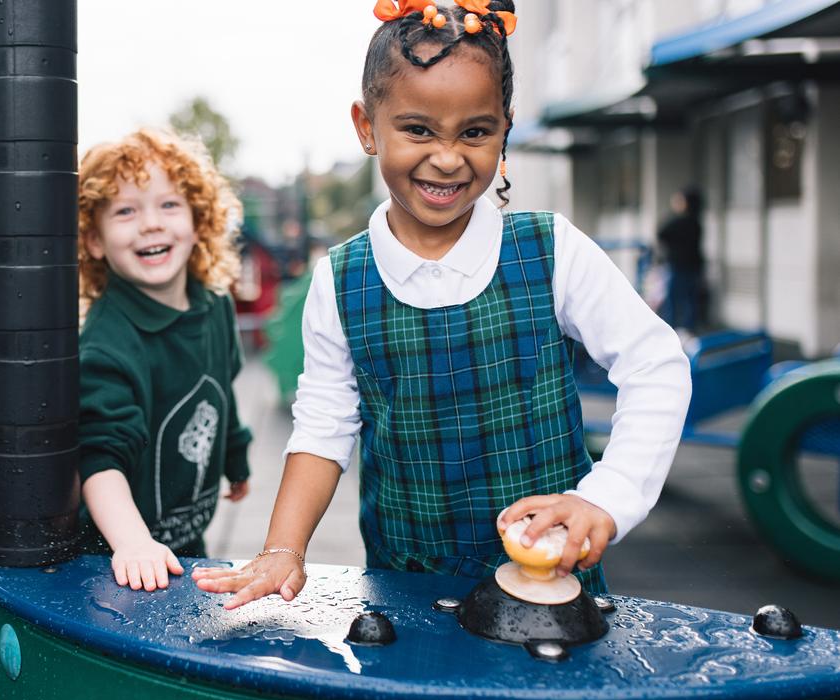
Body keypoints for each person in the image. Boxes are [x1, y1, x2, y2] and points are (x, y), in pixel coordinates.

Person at [194, 0, 690, 609]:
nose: (449, 157)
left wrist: (606, 497)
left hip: (552, 584)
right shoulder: (341, 279)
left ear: (504, 130)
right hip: (407, 589)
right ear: (367, 126)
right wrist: (282, 550)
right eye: (419, 129)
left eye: (475, 132)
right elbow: (324, 427)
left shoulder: (550, 248)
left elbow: (656, 363)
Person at [77, 129, 252, 592]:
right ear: (95, 240)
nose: (151, 223)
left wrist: (236, 455)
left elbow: (221, 388)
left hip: (184, 539)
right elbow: (100, 458)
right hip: (114, 558)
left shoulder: (214, 305)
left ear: (199, 221)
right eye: (126, 210)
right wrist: (132, 544)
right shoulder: (108, 344)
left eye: (169, 205)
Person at [657, 187, 706, 332]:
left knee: (672, 301)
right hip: (693, 267)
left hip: (678, 267)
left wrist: (675, 212)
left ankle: (668, 331)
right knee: (690, 302)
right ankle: (688, 332)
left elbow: (661, 231)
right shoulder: (697, 222)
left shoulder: (680, 221)